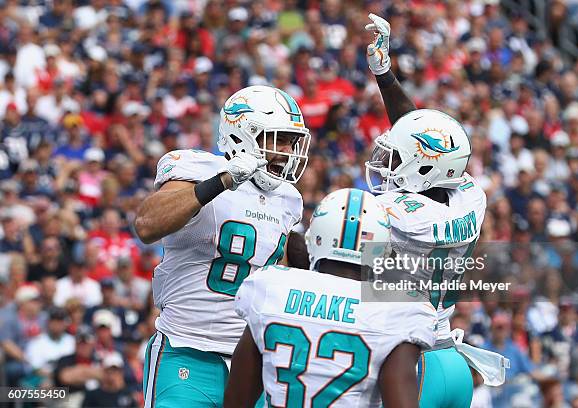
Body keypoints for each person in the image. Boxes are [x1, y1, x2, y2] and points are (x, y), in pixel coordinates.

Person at [362, 14, 507, 407]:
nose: (388, 164)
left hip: (408, 365)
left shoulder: (391, 211)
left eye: (396, 159)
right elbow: (420, 138)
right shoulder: (470, 196)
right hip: (450, 364)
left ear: (423, 170)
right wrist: (385, 75)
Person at [134, 85, 310, 407]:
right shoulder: (197, 168)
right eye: (279, 139)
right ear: (245, 134)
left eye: (291, 141)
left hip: (251, 358)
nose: (287, 151)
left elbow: (273, 269)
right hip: (186, 349)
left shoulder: (288, 199)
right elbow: (147, 225)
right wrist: (221, 182)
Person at [225, 188, 437, 408]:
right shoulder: (398, 310)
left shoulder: (271, 288)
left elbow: (235, 402)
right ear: (380, 249)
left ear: (315, 237)